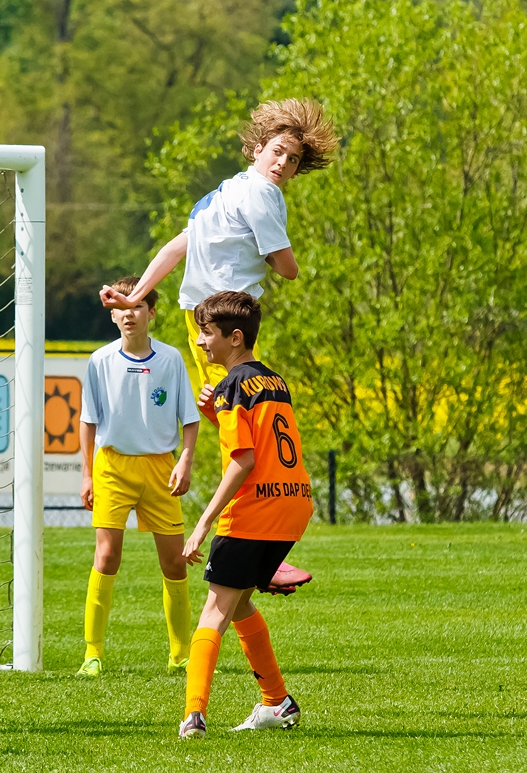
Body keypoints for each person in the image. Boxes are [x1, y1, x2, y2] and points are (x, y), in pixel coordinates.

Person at [99, 99, 336, 393]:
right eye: (278, 152)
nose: (282, 163)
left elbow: (174, 250)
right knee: (246, 401)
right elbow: (289, 270)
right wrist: (266, 253)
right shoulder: (263, 192)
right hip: (228, 316)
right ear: (258, 149)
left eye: (292, 159)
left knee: (219, 403)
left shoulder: (222, 193)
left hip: (196, 315)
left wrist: (134, 297)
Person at [178, 292, 312, 738]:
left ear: (235, 338)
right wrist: (214, 414)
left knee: (214, 609)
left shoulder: (233, 385)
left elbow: (244, 461)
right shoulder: (274, 381)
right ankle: (277, 701)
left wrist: (202, 522)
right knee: (238, 605)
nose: (200, 342)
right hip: (293, 504)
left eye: (207, 333)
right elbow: (265, 445)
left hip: (256, 509)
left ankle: (193, 715)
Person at [77, 276, 200, 678]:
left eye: (137, 307)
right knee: (107, 556)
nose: (130, 314)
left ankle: (181, 655)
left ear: (152, 312)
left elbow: (191, 419)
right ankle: (92, 654)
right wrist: (87, 475)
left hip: (160, 469)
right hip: (112, 466)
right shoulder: (99, 361)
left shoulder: (171, 359)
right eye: (122, 308)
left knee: (175, 563)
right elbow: (88, 421)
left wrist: (185, 460)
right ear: (113, 316)